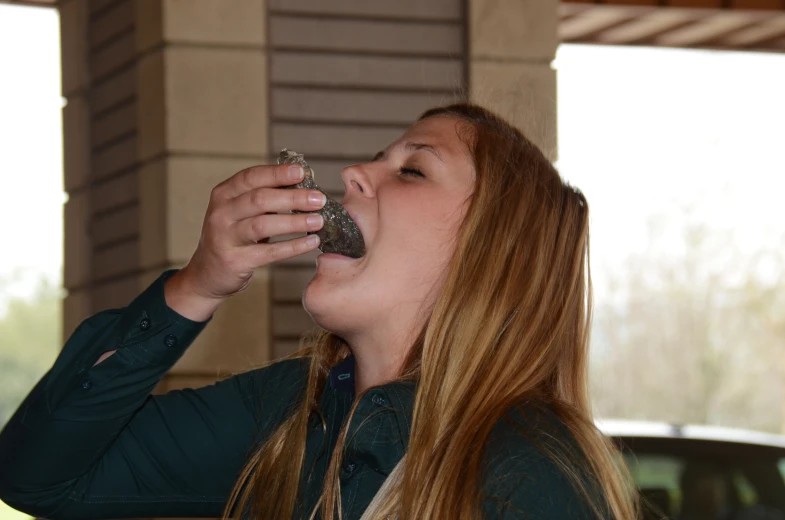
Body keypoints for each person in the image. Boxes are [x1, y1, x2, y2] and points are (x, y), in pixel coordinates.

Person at [0, 104, 639, 519]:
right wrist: (196, 286)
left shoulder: (533, 474)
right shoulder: (289, 414)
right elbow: (38, 478)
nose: (354, 172)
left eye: (413, 171)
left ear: (494, 253)